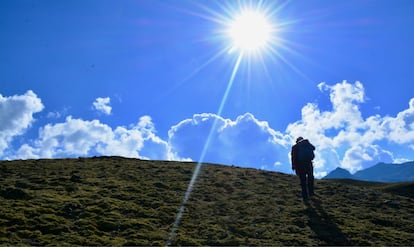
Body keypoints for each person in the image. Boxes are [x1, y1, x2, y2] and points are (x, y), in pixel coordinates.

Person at [291, 136, 315, 202]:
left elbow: (293, 157)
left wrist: (294, 166)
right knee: (310, 178)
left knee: (303, 181)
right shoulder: (307, 143)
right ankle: (311, 193)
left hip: (300, 165)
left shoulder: (295, 147)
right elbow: (314, 148)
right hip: (309, 163)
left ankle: (305, 196)